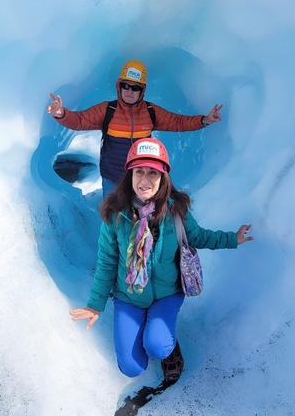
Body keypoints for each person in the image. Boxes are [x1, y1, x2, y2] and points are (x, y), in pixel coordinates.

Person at [69, 138, 253, 384]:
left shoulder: (175, 212)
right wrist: (95, 304)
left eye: (153, 172)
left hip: (167, 293)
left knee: (157, 346)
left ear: (163, 177)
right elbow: (107, 263)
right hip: (129, 297)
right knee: (132, 368)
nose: (145, 179)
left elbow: (199, 236)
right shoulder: (115, 215)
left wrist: (232, 239)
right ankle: (149, 329)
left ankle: (168, 347)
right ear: (130, 175)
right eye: (139, 171)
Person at [48, 60, 224, 197]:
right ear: (119, 86)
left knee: (139, 223)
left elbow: (177, 122)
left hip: (140, 179)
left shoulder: (150, 112)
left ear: (142, 91)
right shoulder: (107, 110)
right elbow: (79, 121)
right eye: (126, 85)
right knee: (113, 223)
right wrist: (61, 113)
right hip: (111, 178)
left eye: (135, 87)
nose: (129, 91)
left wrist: (205, 120)